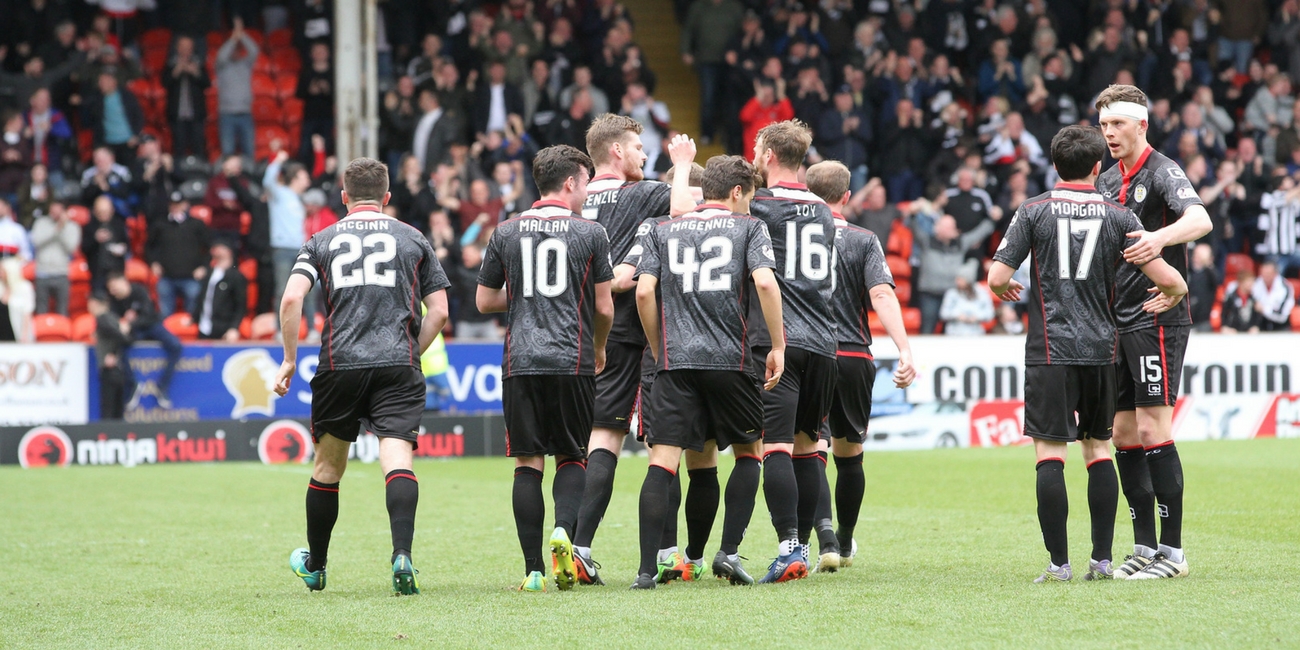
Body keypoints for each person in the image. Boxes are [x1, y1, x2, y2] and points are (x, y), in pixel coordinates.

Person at [988, 124, 1188, 583]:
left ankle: (1059, 565)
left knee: (1049, 456)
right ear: (1098, 168)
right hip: (1103, 349)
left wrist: (1006, 288)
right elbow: (1171, 279)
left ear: (1055, 165)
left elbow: (997, 276)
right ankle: (1102, 559)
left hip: (1050, 351)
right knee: (1099, 450)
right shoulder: (1119, 216)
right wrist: (1171, 294)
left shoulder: (1033, 210)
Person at [275, 157, 451, 596]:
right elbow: (442, 311)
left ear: (343, 196)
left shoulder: (321, 239)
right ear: (387, 197)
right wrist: (412, 351)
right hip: (397, 366)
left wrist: (289, 359)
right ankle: (402, 555)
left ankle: (316, 566)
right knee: (397, 461)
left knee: (328, 467)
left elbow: (292, 299)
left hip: (340, 365)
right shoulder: (412, 238)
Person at [628, 149, 785, 590]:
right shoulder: (749, 227)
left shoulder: (663, 228)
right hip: (730, 360)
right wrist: (777, 344)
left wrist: (661, 349)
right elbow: (766, 282)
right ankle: (727, 553)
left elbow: (643, 293)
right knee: (748, 453)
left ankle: (645, 571)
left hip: (676, 363)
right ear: (737, 192)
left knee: (662, 462)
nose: (750, 205)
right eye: (749, 197)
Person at [475, 144, 614, 593]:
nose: (588, 191)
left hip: (521, 362)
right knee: (573, 455)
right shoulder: (591, 232)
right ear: (571, 182)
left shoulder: (505, 231)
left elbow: (484, 300)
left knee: (527, 463)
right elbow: (605, 307)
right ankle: (565, 534)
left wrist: (525, 296)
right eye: (586, 182)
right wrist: (598, 347)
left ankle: (533, 569)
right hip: (572, 358)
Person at [1096, 85, 1213, 580]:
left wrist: (1158, 240)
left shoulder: (1163, 170)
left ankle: (1174, 552)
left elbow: (1201, 218)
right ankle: (1143, 545)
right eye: (1103, 126)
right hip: (1115, 321)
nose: (1109, 134)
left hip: (1156, 315)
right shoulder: (1104, 180)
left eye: (1117, 125)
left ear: (1141, 124)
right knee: (1122, 433)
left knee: (1152, 428)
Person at [569, 114, 680, 585]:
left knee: (599, 438)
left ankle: (578, 544)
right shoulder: (647, 192)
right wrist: (686, 164)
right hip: (640, 329)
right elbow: (691, 210)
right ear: (616, 151)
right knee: (664, 442)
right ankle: (668, 554)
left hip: (583, 331)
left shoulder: (573, 198)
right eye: (637, 147)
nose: (644, 155)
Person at [804, 160, 916, 571]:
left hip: (808, 351)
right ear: (847, 198)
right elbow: (883, 296)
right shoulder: (864, 239)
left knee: (811, 446)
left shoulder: (790, 236)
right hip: (853, 354)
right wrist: (904, 350)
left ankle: (825, 537)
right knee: (850, 453)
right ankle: (846, 542)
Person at [745, 119, 836, 583]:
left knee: (774, 447)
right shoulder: (823, 208)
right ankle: (799, 549)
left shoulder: (758, 204)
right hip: (825, 341)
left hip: (781, 340)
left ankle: (788, 547)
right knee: (807, 447)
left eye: (758, 150)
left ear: (770, 156)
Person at [106, 270, 183, 410]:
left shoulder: (139, 291)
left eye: (114, 286)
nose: (113, 291)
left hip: (152, 326)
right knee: (120, 348)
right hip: (136, 331)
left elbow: (149, 316)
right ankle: (133, 384)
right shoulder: (114, 301)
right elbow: (115, 325)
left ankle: (162, 386)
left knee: (176, 345)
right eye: (110, 288)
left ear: (123, 281)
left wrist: (130, 323)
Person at [147, 191, 211, 317]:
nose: (175, 207)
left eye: (178, 204)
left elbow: (208, 248)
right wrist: (153, 262)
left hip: (191, 277)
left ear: (186, 205)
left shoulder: (196, 224)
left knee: (192, 314)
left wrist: (204, 267)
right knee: (164, 314)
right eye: (172, 204)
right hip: (167, 277)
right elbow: (149, 246)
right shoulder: (160, 224)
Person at [215, 17, 259, 157]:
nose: (235, 51)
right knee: (228, 152)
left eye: (237, 48)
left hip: (245, 113)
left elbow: (255, 51)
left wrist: (242, 35)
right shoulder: (221, 66)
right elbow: (221, 55)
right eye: (232, 49)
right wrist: (233, 39)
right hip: (227, 114)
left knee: (249, 151)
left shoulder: (246, 64)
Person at [29, 201, 79, 316]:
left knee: (62, 311)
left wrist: (63, 228)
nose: (55, 214)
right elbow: (36, 242)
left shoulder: (72, 226)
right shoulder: (41, 223)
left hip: (61, 273)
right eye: (52, 211)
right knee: (41, 310)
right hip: (42, 273)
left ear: (64, 212)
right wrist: (56, 229)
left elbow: (71, 248)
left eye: (58, 212)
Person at [163, 35, 209, 159]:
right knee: (179, 146)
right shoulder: (170, 64)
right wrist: (176, 71)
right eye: (183, 47)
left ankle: (200, 173)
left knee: (198, 145)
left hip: (196, 114)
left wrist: (195, 72)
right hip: (177, 114)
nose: (185, 51)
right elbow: (164, 83)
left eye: (188, 48)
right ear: (177, 48)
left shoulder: (198, 63)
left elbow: (207, 83)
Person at [193, 241, 246, 341]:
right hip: (204, 328)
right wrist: (194, 317)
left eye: (221, 247)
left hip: (223, 329)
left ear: (229, 251)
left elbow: (241, 305)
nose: (217, 250)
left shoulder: (236, 276)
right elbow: (202, 298)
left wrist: (234, 328)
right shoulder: (209, 273)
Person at [940, 271, 995, 335]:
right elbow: (943, 313)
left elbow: (990, 313)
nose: (957, 282)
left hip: (976, 333)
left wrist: (977, 317)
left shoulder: (981, 293)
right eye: (957, 279)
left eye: (961, 279)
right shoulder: (951, 293)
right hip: (954, 332)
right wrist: (957, 315)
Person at [1252, 260, 1295, 332]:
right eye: (1263, 273)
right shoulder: (1255, 285)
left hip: (1280, 328)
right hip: (1260, 326)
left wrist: (1264, 309)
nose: (1265, 276)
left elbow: (1282, 316)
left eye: (1268, 274)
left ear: (1275, 274)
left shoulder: (1285, 288)